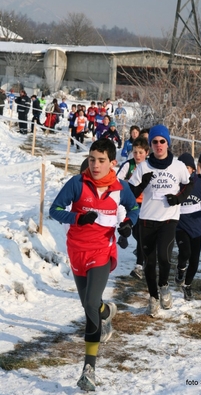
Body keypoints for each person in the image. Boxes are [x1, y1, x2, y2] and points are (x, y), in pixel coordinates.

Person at [49, 139, 139, 391]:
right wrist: (77, 217)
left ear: (113, 163)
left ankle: (89, 369)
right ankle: (105, 312)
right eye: (91, 159)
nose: (95, 165)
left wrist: (128, 223)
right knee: (90, 305)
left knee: (89, 304)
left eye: (101, 160)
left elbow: (133, 208)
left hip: (102, 250)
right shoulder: (77, 183)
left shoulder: (120, 187)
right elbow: (54, 210)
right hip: (77, 251)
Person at [129, 125, 193, 317]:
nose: (158, 145)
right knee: (149, 263)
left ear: (168, 143)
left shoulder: (178, 166)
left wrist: (178, 199)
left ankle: (164, 285)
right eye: (155, 142)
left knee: (164, 258)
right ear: (151, 145)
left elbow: (189, 185)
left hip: (168, 219)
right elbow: (131, 194)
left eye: (162, 141)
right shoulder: (143, 167)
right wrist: (142, 184)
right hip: (147, 219)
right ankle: (153, 297)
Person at [175, 153, 201, 301]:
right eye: (182, 168)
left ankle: (187, 285)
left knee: (195, 259)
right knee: (185, 252)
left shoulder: (200, 184)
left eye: (187, 167)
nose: (185, 171)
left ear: (193, 169)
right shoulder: (175, 184)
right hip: (180, 227)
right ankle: (180, 269)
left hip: (196, 229)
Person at [117, 137, 150, 279]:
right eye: (135, 152)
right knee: (135, 231)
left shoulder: (150, 166)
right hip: (132, 204)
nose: (137, 155)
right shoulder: (128, 165)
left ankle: (139, 266)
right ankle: (124, 236)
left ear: (146, 153)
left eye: (140, 152)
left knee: (141, 234)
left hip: (147, 204)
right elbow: (118, 180)